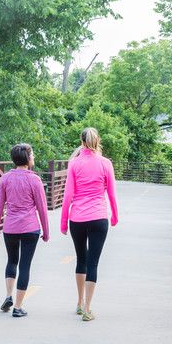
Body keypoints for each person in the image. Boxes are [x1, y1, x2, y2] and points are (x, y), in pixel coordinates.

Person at [60, 127, 119, 322]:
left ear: (82, 141)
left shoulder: (74, 164)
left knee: (81, 260)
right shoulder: (105, 163)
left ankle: (78, 302)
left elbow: (68, 195)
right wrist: (115, 215)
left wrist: (63, 221)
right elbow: (111, 193)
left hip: (77, 218)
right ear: (97, 140)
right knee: (93, 263)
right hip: (98, 218)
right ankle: (87, 308)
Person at [0, 143, 50, 318]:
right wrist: (46, 231)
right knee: (25, 266)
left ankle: (8, 296)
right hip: (30, 228)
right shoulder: (34, 180)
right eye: (32, 155)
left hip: (10, 228)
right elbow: (42, 208)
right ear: (27, 158)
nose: (34, 157)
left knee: (11, 261)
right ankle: (18, 306)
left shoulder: (6, 178)